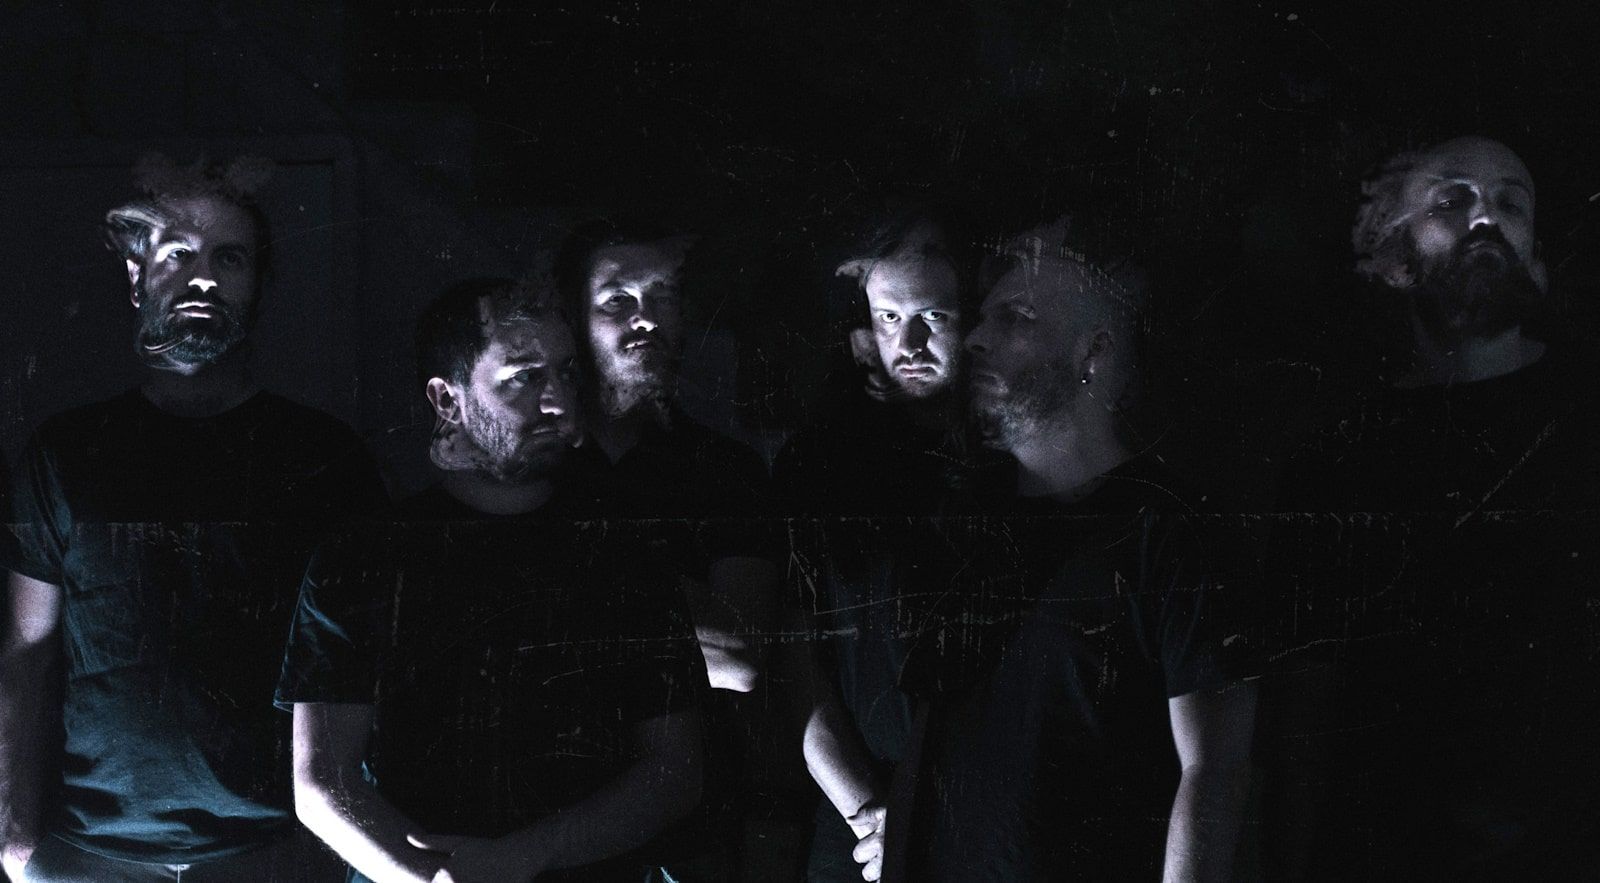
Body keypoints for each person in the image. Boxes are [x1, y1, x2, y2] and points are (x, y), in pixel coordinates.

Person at [0, 156, 386, 882]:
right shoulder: (67, 451)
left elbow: (358, 670)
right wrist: (15, 842)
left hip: (271, 857)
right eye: (178, 254)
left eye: (229, 258)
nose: (202, 278)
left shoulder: (323, 458)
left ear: (258, 284)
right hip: (89, 858)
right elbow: (26, 649)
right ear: (137, 277)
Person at [282, 278, 706, 883]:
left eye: (566, 373)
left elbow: (673, 772)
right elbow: (322, 781)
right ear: (447, 399)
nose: (557, 403)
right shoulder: (362, 556)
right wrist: (435, 880)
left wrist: (522, 859)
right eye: (524, 377)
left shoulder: (621, 550)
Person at [1270, 135, 1600, 877]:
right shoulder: (1335, 460)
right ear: (1393, 254)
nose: (1485, 218)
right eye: (1452, 199)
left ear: (1537, 257)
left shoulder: (1589, 415)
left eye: (1511, 203)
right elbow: (1305, 712)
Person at [890, 218, 1257, 881]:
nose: (975, 338)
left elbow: (1214, 770)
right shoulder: (965, 522)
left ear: (1094, 353)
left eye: (1017, 317)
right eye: (984, 316)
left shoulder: (1171, 532)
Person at [771, 207, 974, 882]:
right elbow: (801, 668)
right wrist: (872, 819)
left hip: (977, 821)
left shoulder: (1010, 468)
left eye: (934, 315)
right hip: (857, 822)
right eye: (889, 317)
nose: (909, 340)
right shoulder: (818, 466)